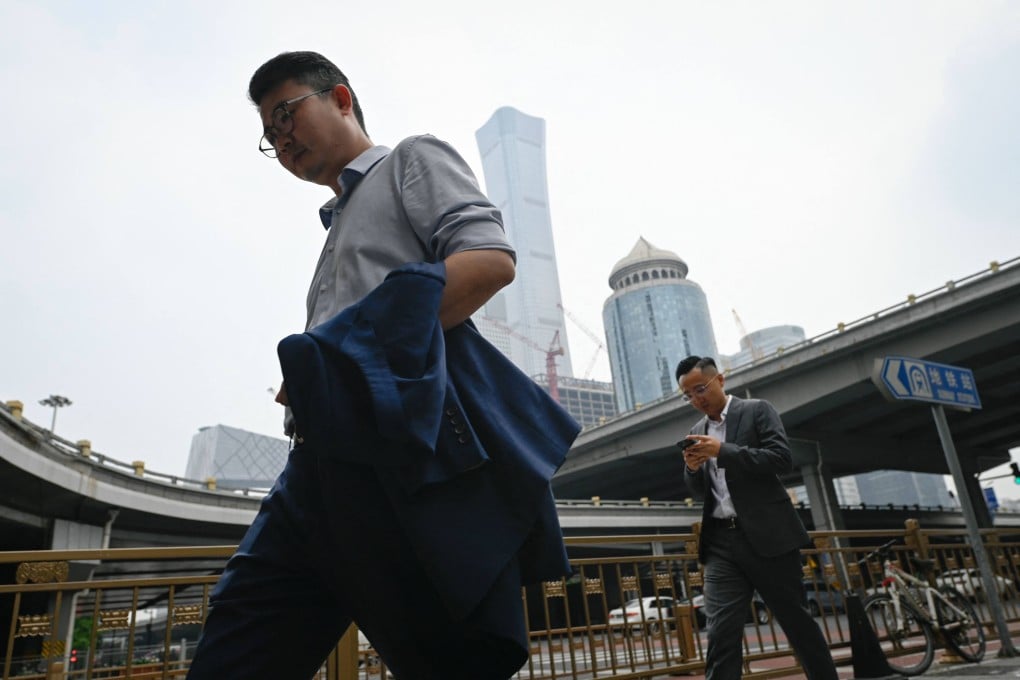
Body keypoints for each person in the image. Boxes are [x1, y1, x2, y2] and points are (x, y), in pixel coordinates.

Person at [185, 51, 579, 680]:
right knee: (236, 644)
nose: (280, 139)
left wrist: (341, 353)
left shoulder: (410, 160)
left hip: (394, 461)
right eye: (269, 134)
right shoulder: (334, 227)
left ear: (340, 98)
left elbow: (487, 258)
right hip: (312, 469)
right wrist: (325, 366)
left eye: (286, 114)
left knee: (449, 662)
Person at [677, 356, 838, 680]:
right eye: (688, 396)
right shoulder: (697, 430)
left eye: (700, 389)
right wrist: (692, 467)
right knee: (720, 632)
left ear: (719, 380)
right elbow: (699, 490)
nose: (696, 400)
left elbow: (781, 459)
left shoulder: (756, 410)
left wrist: (722, 451)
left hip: (770, 537)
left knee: (797, 624)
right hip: (721, 542)